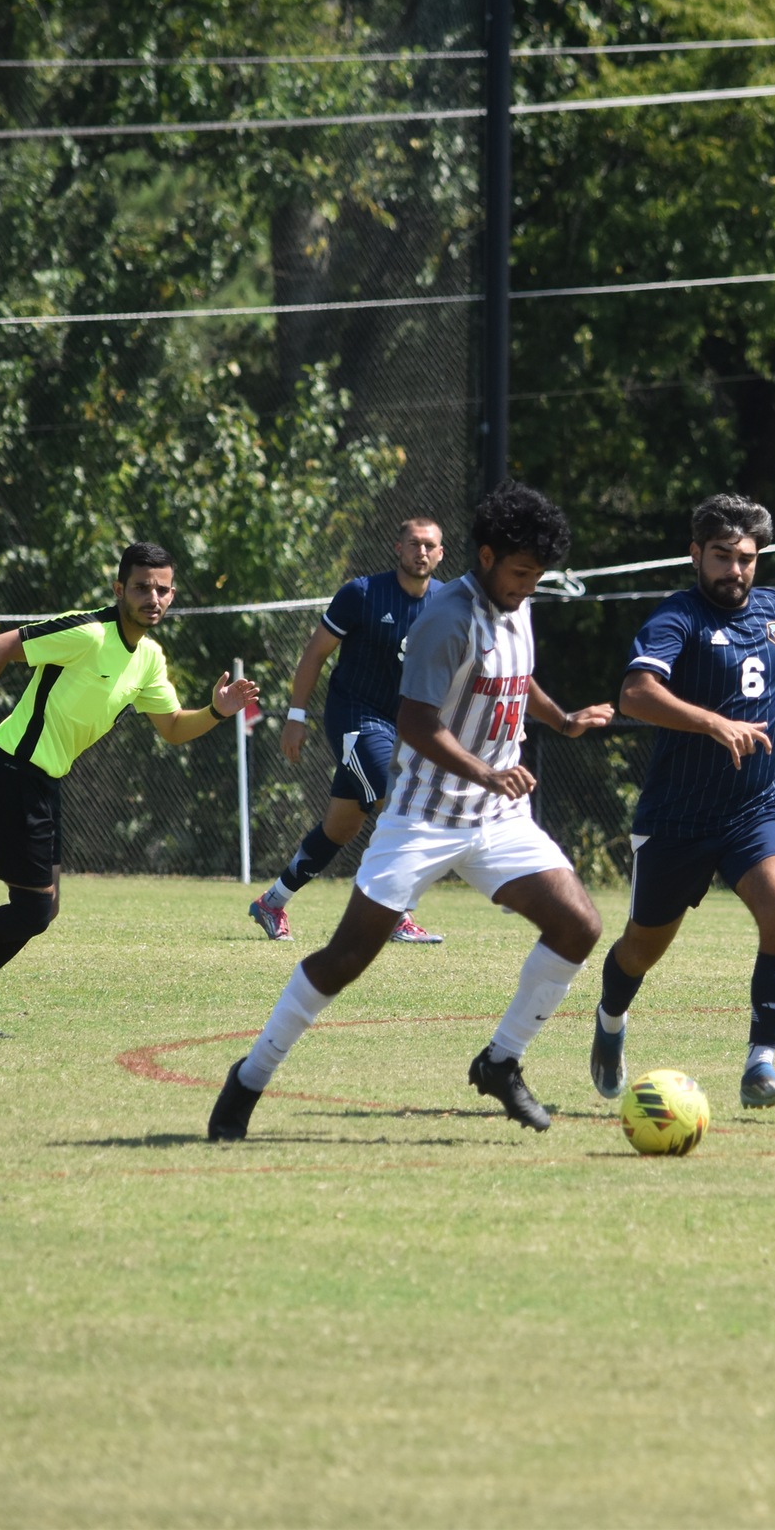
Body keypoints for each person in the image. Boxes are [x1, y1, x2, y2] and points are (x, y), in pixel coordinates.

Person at [208, 484, 614, 1138]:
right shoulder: (446, 618)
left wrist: (561, 719)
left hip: (498, 821)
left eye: (536, 577)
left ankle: (500, 1063)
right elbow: (417, 723)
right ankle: (249, 1076)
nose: (527, 587)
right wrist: (487, 772)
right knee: (345, 958)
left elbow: (513, 678)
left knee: (578, 926)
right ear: (484, 556)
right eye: (518, 574)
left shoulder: (517, 601)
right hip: (424, 819)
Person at [0, 543, 260, 1036]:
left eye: (161, 589)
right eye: (140, 586)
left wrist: (218, 711)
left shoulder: (150, 659)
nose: (151, 597)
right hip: (9, 771)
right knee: (31, 909)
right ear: (119, 590)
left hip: (43, 782)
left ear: (172, 595)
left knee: (39, 911)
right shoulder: (89, 632)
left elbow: (175, 728)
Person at [590, 494, 775, 1109]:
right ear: (695, 554)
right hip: (678, 818)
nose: (734, 570)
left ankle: (761, 1065)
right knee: (640, 947)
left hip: (758, 808)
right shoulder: (674, 618)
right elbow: (635, 694)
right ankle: (609, 1021)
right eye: (721, 557)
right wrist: (712, 724)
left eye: (746, 558)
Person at [249, 516, 447, 946]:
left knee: (340, 827)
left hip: (404, 727)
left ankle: (271, 902)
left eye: (430, 545)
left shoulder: (447, 603)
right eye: (414, 543)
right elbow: (315, 653)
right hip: (355, 719)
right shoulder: (362, 593)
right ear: (398, 548)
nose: (422, 552)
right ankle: (397, 914)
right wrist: (296, 716)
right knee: (396, 799)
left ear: (441, 553)